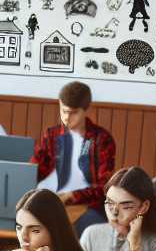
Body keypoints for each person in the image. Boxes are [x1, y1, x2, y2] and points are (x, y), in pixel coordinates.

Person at [29, 81, 116, 233]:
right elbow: (34, 170)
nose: (67, 118)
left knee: (84, 228)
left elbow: (104, 187)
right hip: (52, 199)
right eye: (63, 111)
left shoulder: (101, 139)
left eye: (74, 112)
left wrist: (71, 196)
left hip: (88, 205)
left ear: (86, 110)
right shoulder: (52, 135)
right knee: (26, 221)